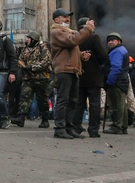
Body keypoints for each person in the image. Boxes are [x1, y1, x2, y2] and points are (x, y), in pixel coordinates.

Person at [49, 8, 95, 139]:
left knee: (72, 101)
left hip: (72, 69)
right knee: (63, 100)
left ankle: (69, 128)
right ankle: (60, 128)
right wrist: (87, 29)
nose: (67, 19)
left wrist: (81, 55)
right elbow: (73, 41)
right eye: (64, 17)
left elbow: (68, 49)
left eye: (67, 17)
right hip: (65, 69)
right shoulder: (57, 31)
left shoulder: (67, 32)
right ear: (56, 20)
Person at [73, 17, 108, 138]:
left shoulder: (75, 37)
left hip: (79, 74)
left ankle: (76, 127)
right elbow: (103, 56)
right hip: (94, 76)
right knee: (94, 104)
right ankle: (93, 129)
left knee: (79, 103)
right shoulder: (93, 37)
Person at [11, 31, 52, 129]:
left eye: (29, 38)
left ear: (34, 39)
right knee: (24, 97)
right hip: (28, 78)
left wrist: (32, 67)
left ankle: (45, 119)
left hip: (41, 78)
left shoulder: (43, 48)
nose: (27, 40)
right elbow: (20, 59)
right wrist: (23, 67)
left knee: (42, 100)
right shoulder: (25, 49)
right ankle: (21, 118)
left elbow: (46, 62)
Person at [102, 33, 130, 135]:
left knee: (116, 105)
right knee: (122, 105)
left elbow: (116, 68)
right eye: (109, 40)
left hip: (116, 82)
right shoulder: (122, 50)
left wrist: (110, 81)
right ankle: (123, 126)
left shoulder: (117, 51)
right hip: (121, 81)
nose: (110, 42)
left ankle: (117, 126)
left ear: (119, 41)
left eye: (113, 40)